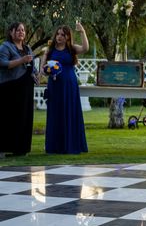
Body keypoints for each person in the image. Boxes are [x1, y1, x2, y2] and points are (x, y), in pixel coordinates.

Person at [44, 22, 89, 154]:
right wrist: (48, 71)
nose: (59, 37)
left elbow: (85, 48)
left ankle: (71, 144)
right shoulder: (49, 51)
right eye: (58, 34)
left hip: (69, 85)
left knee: (70, 112)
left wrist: (82, 31)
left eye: (63, 35)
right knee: (55, 113)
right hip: (55, 85)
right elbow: (43, 69)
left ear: (68, 37)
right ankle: (55, 146)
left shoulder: (71, 49)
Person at [0, 22, 38, 156]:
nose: (21, 32)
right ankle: (6, 148)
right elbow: (3, 64)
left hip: (26, 88)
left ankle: (22, 149)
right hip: (11, 88)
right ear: (11, 32)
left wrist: (35, 73)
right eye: (18, 30)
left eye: (23, 30)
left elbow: (31, 65)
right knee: (10, 118)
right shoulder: (5, 47)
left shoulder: (27, 48)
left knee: (25, 118)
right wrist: (21, 60)